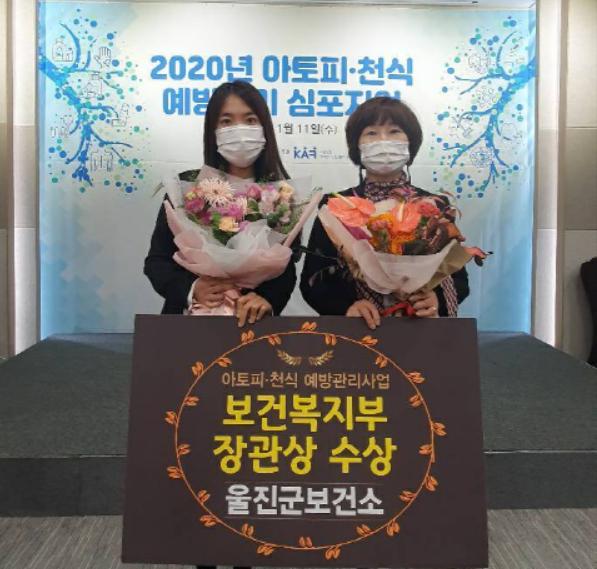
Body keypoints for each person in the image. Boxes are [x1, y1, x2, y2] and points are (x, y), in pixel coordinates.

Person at [300, 96, 469, 329]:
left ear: (411, 143)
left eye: (394, 131)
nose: (383, 141)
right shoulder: (336, 206)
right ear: (356, 146)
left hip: (419, 327)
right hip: (358, 330)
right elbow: (313, 281)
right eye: (371, 133)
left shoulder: (434, 205)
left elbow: (458, 277)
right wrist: (347, 307)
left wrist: (435, 300)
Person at [144, 81, 298, 329]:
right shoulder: (186, 189)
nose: (239, 130)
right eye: (226, 121)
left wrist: (267, 299)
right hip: (186, 325)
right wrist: (193, 288)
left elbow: (287, 269)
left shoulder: (282, 195)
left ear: (264, 129)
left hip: (253, 325)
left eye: (250, 120)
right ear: (213, 131)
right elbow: (157, 262)